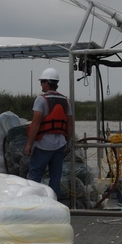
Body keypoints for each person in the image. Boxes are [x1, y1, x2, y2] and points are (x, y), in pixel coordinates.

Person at [24, 67, 74, 200]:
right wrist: (67, 143)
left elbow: (35, 123)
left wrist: (29, 144)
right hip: (60, 145)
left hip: (43, 145)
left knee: (35, 176)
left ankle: (32, 202)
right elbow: (70, 124)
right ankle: (53, 204)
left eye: (42, 82)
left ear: (47, 82)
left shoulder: (41, 100)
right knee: (55, 177)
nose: (41, 84)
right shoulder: (65, 100)